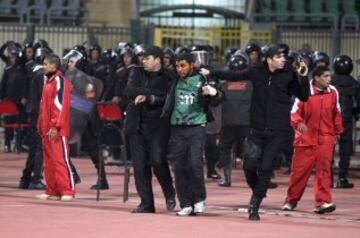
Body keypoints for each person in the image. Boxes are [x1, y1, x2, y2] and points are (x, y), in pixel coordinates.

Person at [200, 43, 310, 220]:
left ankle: (255, 204)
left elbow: (304, 96)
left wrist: (303, 78)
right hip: (256, 129)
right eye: (279, 57)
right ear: (269, 59)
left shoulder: (289, 74)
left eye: (284, 57)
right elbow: (233, 75)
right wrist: (211, 72)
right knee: (248, 166)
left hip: (278, 130)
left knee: (266, 168)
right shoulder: (256, 71)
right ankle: (258, 189)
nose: (283, 60)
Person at [162, 51, 224, 216]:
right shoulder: (174, 80)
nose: (179, 69)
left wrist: (213, 92)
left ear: (191, 65)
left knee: (194, 164)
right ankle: (185, 203)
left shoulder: (202, 79)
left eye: (183, 66)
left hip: (197, 127)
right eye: (177, 66)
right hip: (176, 128)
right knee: (178, 167)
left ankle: (199, 199)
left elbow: (220, 98)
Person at [282, 66, 343, 214]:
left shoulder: (333, 92)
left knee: (324, 172)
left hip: (326, 138)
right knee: (299, 173)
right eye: (326, 76)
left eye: (329, 76)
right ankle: (291, 201)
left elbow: (337, 112)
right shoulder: (304, 91)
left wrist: (338, 131)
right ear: (316, 78)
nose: (329, 79)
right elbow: (294, 112)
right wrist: (298, 123)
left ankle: (322, 202)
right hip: (305, 139)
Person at [125, 45, 176, 213]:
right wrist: (154, 95)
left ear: (157, 60)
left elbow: (168, 98)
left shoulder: (170, 77)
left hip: (158, 127)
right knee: (140, 167)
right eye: (142, 58)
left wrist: (149, 97)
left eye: (147, 58)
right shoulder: (136, 72)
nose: (143, 61)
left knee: (158, 161)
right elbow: (129, 90)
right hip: (136, 126)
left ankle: (169, 192)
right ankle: (147, 203)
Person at [36, 54, 75, 201]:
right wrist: (41, 125)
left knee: (60, 160)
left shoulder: (60, 81)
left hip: (57, 129)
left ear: (54, 66)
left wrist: (54, 126)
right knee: (49, 161)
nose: (43, 66)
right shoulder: (47, 81)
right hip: (46, 128)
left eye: (46, 64)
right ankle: (52, 190)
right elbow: (43, 106)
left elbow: (60, 106)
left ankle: (67, 190)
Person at [331, 55, 360, 188]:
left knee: (328, 149)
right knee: (345, 148)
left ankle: (328, 178)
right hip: (346, 120)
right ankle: (342, 178)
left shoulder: (329, 81)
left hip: (329, 119)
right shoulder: (354, 83)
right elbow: (358, 104)